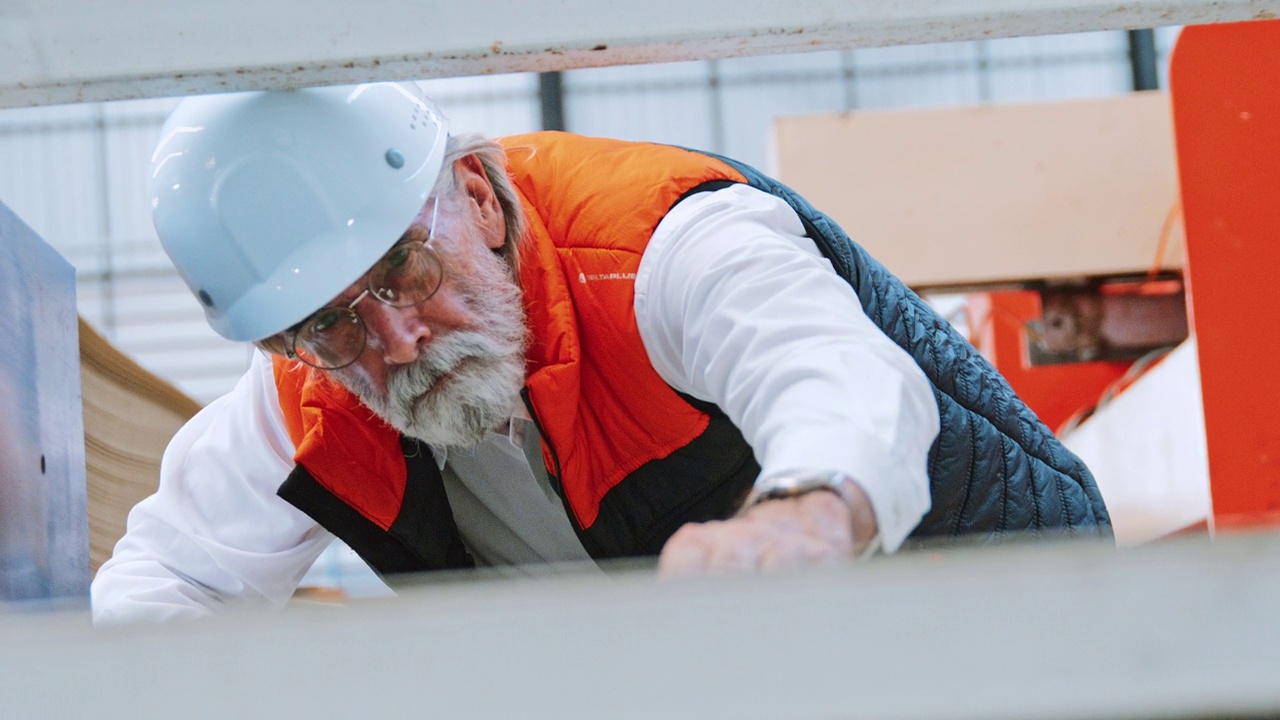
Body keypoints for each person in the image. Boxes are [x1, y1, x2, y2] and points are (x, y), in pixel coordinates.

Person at [91, 82, 1110, 624]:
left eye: (402, 270)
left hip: (1002, 617)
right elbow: (161, 584)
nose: (395, 338)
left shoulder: (660, 245)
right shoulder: (313, 390)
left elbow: (835, 380)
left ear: (477, 199)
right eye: (330, 324)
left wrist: (807, 512)